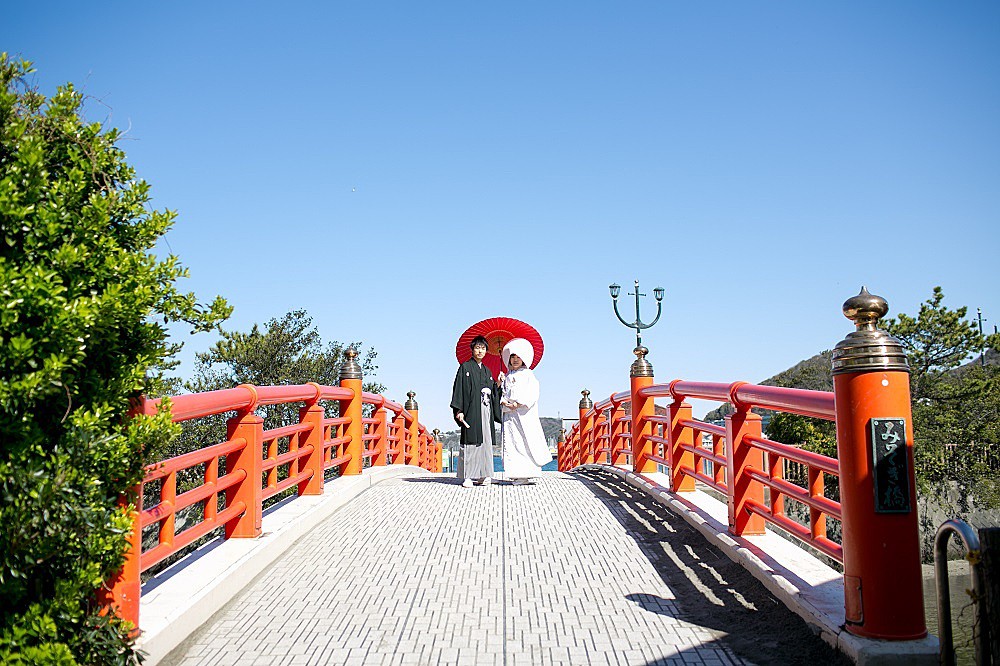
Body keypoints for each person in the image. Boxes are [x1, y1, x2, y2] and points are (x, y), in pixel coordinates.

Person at [498, 338, 551, 485]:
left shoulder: (528, 374)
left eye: (518, 357)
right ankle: (516, 474)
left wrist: (519, 403)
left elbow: (533, 393)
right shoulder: (507, 376)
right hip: (510, 415)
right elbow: (504, 394)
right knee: (512, 442)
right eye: (512, 357)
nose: (515, 360)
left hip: (524, 414)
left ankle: (527, 473)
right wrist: (501, 388)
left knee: (526, 442)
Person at [450, 335, 501, 488]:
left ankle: (484, 475)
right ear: (472, 349)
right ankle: (468, 476)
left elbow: (493, 393)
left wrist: (498, 384)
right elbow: (459, 389)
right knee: (471, 442)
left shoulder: (487, 371)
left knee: (485, 442)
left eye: (483, 348)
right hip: (471, 410)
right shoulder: (465, 367)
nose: (480, 351)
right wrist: (459, 410)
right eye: (477, 348)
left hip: (486, 409)